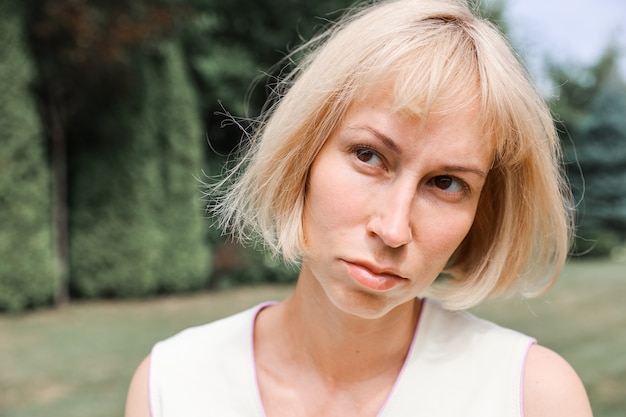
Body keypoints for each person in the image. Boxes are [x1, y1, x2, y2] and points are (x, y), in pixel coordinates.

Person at [125, 0, 593, 415]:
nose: (393, 229)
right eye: (369, 156)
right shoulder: (171, 385)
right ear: (304, 153)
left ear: (481, 212)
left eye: (445, 183)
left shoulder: (533, 398)